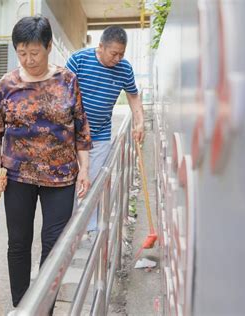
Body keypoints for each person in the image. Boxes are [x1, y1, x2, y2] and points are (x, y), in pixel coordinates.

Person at [0, 16, 92, 310]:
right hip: (17, 178)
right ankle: (21, 306)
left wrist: (85, 170)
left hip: (61, 178)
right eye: (22, 53)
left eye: (35, 52)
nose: (29, 60)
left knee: (53, 247)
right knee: (18, 243)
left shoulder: (68, 81)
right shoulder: (7, 85)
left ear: (48, 47)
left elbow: (81, 130)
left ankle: (44, 307)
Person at [66, 26, 144, 235]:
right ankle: (67, 231)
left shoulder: (124, 69)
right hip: (71, 134)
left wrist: (139, 121)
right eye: (114, 53)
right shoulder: (79, 60)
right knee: (68, 184)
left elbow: (133, 95)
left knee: (92, 183)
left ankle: (89, 230)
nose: (118, 58)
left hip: (100, 135)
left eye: (122, 54)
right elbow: (61, 92)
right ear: (100, 47)